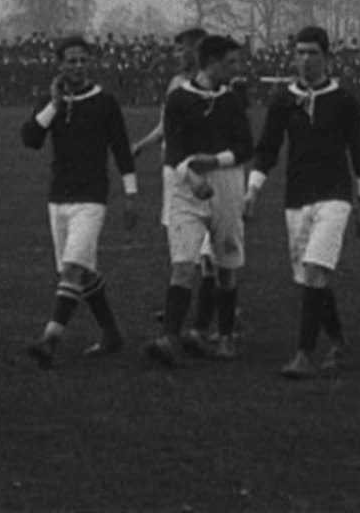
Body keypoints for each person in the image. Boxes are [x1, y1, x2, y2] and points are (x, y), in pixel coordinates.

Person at [245, 27, 360, 380]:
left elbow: (359, 152)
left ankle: (303, 354)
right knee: (310, 279)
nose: (305, 59)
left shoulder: (345, 100)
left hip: (334, 197)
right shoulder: (282, 100)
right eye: (300, 52)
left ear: (327, 57)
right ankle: (339, 340)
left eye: (312, 53)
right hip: (296, 199)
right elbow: (268, 148)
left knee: (316, 269)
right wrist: (253, 190)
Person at [21, 35, 138, 368]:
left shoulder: (105, 102)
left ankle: (49, 339)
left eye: (82, 60)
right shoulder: (52, 101)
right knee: (82, 274)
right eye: (70, 61)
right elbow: (30, 138)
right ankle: (111, 332)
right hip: (59, 196)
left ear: (90, 62)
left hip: (91, 198)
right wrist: (55, 105)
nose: (77, 66)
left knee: (72, 269)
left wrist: (131, 194)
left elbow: (121, 149)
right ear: (60, 65)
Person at [147, 35, 253, 366]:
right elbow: (174, 146)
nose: (238, 68)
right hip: (185, 184)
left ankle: (224, 337)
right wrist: (191, 175)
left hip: (226, 185)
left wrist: (214, 161)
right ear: (210, 62)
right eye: (231, 62)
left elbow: (246, 147)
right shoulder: (178, 98)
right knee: (183, 264)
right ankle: (170, 339)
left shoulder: (233, 101)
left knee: (224, 265)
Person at [131, 27, 218, 355]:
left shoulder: (216, 85)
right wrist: (141, 145)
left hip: (203, 172)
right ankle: (180, 310)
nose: (178, 54)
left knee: (210, 254)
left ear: (200, 50)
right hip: (175, 171)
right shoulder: (174, 84)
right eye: (177, 49)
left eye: (185, 48)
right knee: (182, 247)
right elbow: (165, 126)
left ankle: (206, 324)